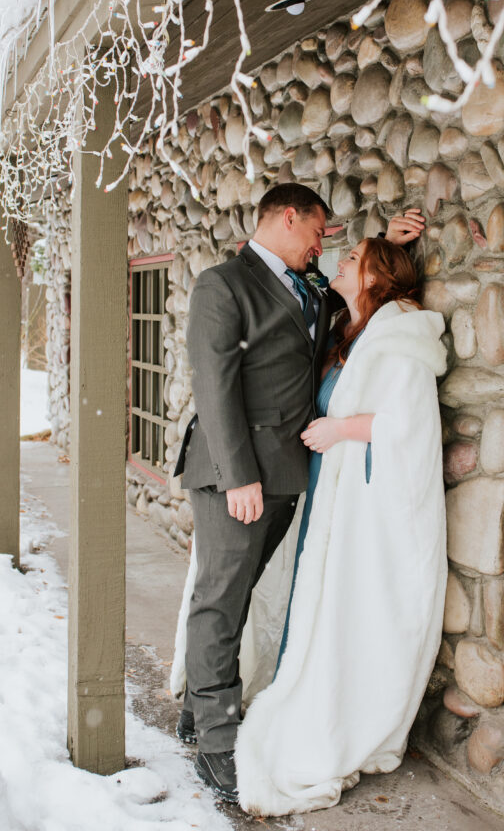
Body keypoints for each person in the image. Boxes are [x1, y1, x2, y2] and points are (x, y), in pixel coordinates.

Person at [172, 182, 424, 802]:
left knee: (241, 593)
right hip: (236, 476)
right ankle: (214, 740)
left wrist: (384, 251)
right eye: (318, 231)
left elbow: (349, 303)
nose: (323, 243)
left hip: (286, 477)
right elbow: (215, 386)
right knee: (220, 598)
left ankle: (194, 712)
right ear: (290, 218)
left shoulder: (306, 286)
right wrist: (239, 478)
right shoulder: (221, 285)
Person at [234, 237, 447, 816]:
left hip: (362, 509)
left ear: (378, 279)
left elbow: (408, 423)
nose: (339, 263)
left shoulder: (399, 337)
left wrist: (341, 430)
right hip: (329, 494)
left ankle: (335, 712)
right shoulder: (348, 330)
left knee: (345, 608)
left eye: (353, 259)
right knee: (311, 600)